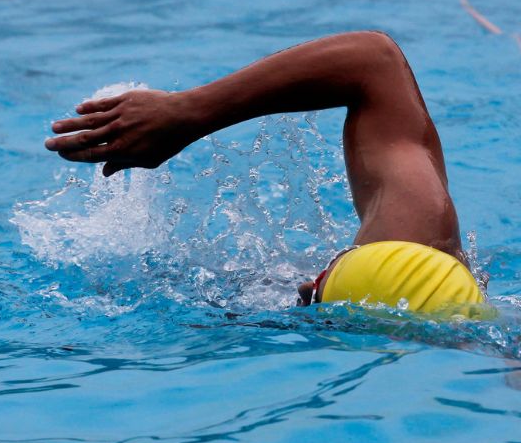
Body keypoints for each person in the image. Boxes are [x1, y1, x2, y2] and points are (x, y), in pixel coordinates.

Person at [46, 31, 485, 313]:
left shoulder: (426, 241)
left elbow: (374, 59)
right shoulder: (434, 260)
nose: (305, 283)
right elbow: (374, 64)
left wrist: (189, 112)